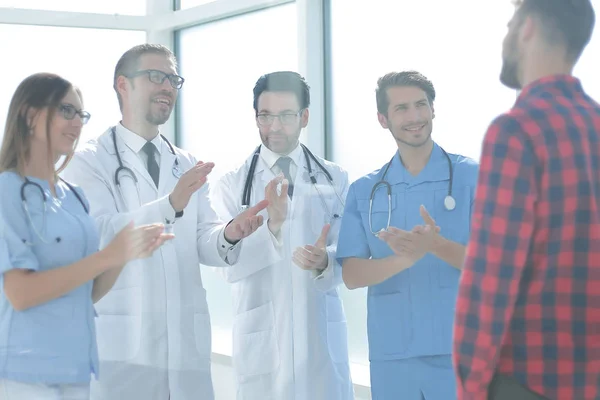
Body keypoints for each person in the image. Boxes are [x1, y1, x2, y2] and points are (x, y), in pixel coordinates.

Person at [61, 44, 268, 400]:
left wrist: (231, 233)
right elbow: (102, 234)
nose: (167, 86)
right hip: (123, 348)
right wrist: (170, 204)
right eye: (156, 76)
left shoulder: (185, 163)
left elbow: (203, 239)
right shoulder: (88, 161)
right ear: (122, 85)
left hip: (184, 348)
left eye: (173, 79)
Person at [453, 1, 599, 399]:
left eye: (509, 22)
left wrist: (470, 386)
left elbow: (491, 281)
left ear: (527, 27)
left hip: (528, 382)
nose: (506, 35)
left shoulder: (515, 131)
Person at [0, 72, 171, 400]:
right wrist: (108, 255)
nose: (77, 122)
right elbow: (20, 293)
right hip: (25, 372)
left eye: (81, 114)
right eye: (66, 110)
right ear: (30, 115)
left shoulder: (73, 195)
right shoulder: (8, 191)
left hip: (77, 368)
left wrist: (123, 255)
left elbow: (87, 292)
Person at [335, 70, 479, 400]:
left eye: (421, 105)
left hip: (461, 348)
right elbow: (352, 275)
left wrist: (437, 246)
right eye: (401, 109)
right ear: (383, 119)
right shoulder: (366, 190)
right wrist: (406, 259)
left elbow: (495, 266)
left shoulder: (472, 177)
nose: (414, 117)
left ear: (433, 110)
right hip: (394, 355)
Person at [210, 71, 354, 400]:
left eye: (286, 115)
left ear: (304, 116)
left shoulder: (334, 178)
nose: (274, 126)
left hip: (319, 339)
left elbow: (351, 253)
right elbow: (222, 264)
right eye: (265, 116)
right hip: (263, 343)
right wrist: (272, 229)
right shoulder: (232, 185)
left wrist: (326, 260)